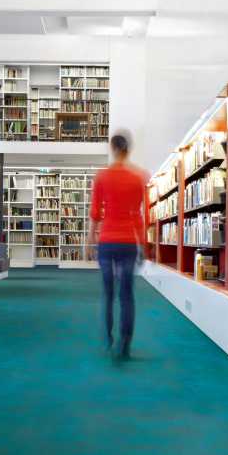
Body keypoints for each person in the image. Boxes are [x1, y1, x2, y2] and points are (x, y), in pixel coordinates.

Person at [88, 130, 148, 359]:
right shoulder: (138, 177)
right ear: (128, 149)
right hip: (128, 242)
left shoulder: (102, 177)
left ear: (113, 149)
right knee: (127, 295)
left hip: (107, 241)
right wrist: (144, 244)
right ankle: (125, 342)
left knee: (108, 293)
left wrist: (90, 239)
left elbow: (96, 212)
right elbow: (138, 215)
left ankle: (108, 337)